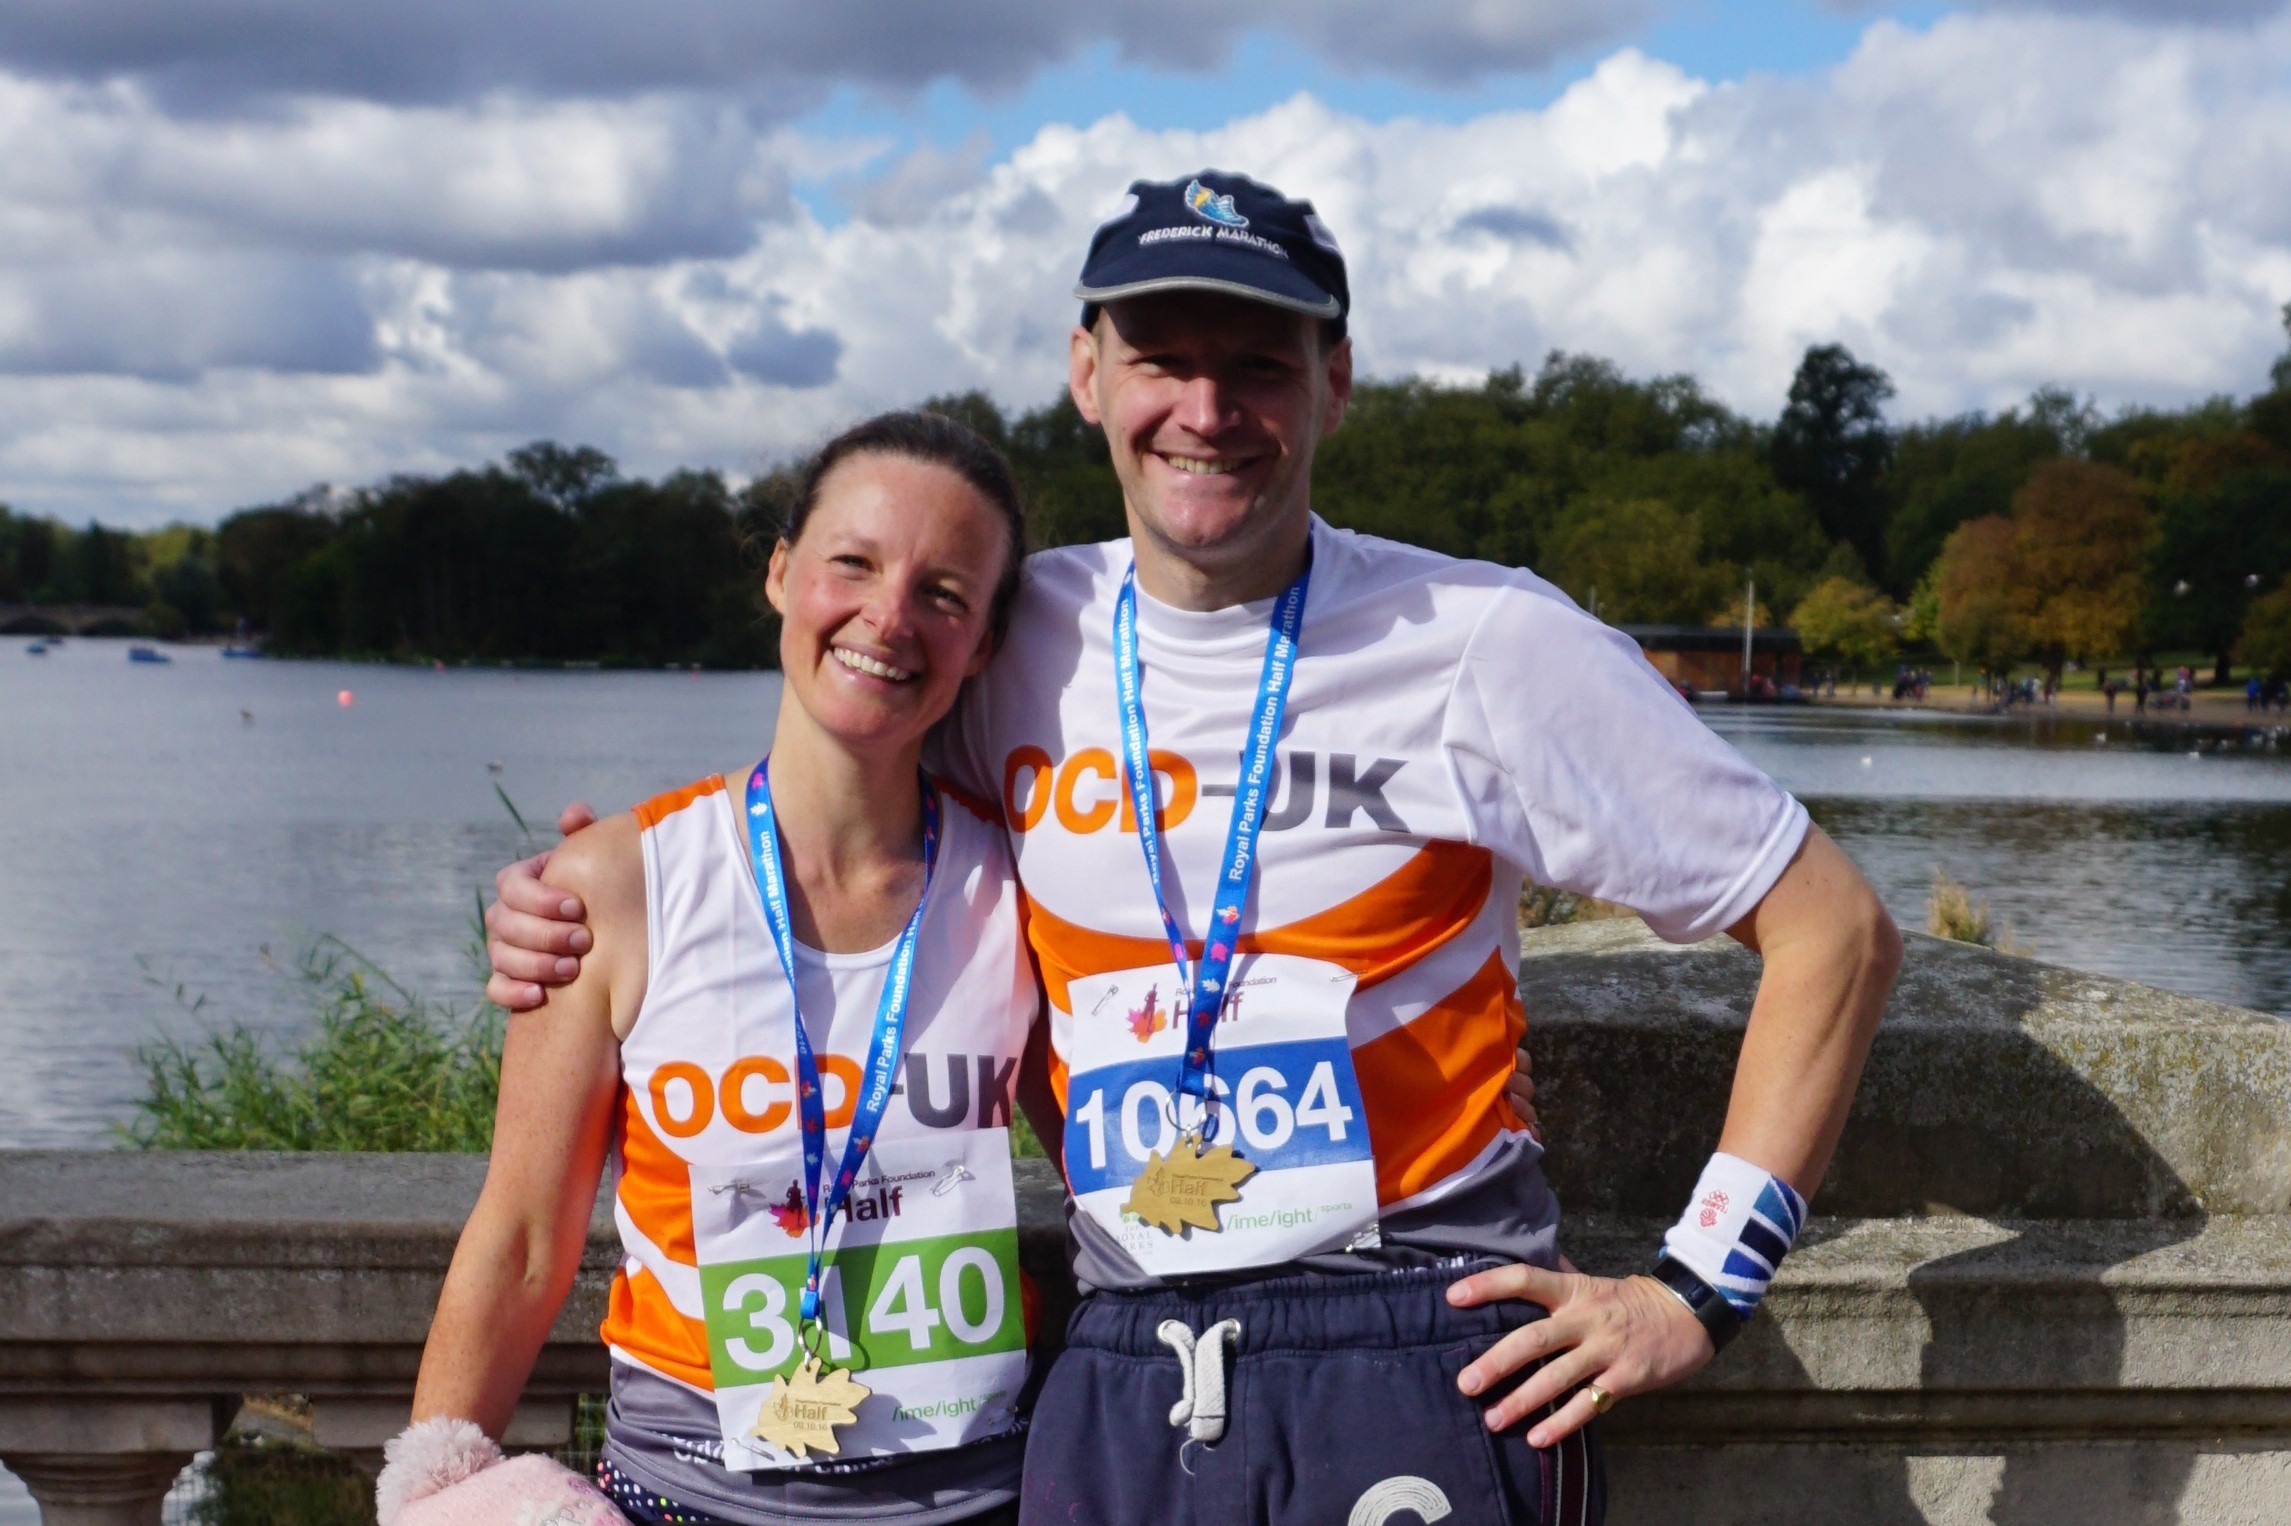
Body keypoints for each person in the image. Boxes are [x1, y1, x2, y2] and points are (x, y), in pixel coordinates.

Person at [489, 171, 1901, 1525]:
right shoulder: (1005, 633)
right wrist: (592, 889)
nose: (1206, 410)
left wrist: (1697, 1286)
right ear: (1085, 372)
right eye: (1161, 356)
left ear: (1333, 383)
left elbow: (1830, 929)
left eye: (1259, 366)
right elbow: (832, 771)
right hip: (1124, 1355)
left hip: (1419, 1339)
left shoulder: (1487, 641)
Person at [394, 413, 1052, 1526]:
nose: (887, 616)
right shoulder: (617, 882)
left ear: (983, 641)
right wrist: (423, 1497)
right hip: (682, 1497)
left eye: (944, 592)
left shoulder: (1026, 880)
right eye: (852, 562)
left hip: (976, 1497)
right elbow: (520, 1239)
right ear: (781, 571)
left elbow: (1120, 1166)